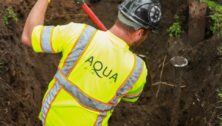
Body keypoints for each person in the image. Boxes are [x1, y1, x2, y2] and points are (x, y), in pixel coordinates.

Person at [21, 0, 162, 125]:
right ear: (139, 33)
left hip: (50, 120)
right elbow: (131, 98)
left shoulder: (78, 33)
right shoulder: (137, 70)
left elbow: (28, 36)